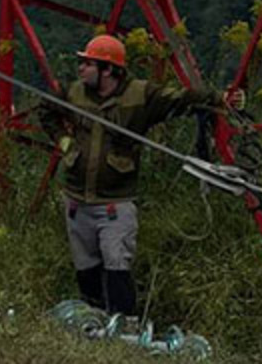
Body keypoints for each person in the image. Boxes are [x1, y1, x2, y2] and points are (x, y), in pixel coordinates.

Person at [36, 34, 243, 316]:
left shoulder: (141, 95)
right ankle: (92, 324)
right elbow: (46, 109)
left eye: (87, 64)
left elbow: (181, 99)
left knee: (117, 264)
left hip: (115, 203)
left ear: (107, 70)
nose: (80, 68)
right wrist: (64, 142)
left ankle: (124, 327)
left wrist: (221, 98)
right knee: (85, 267)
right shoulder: (74, 92)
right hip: (76, 201)